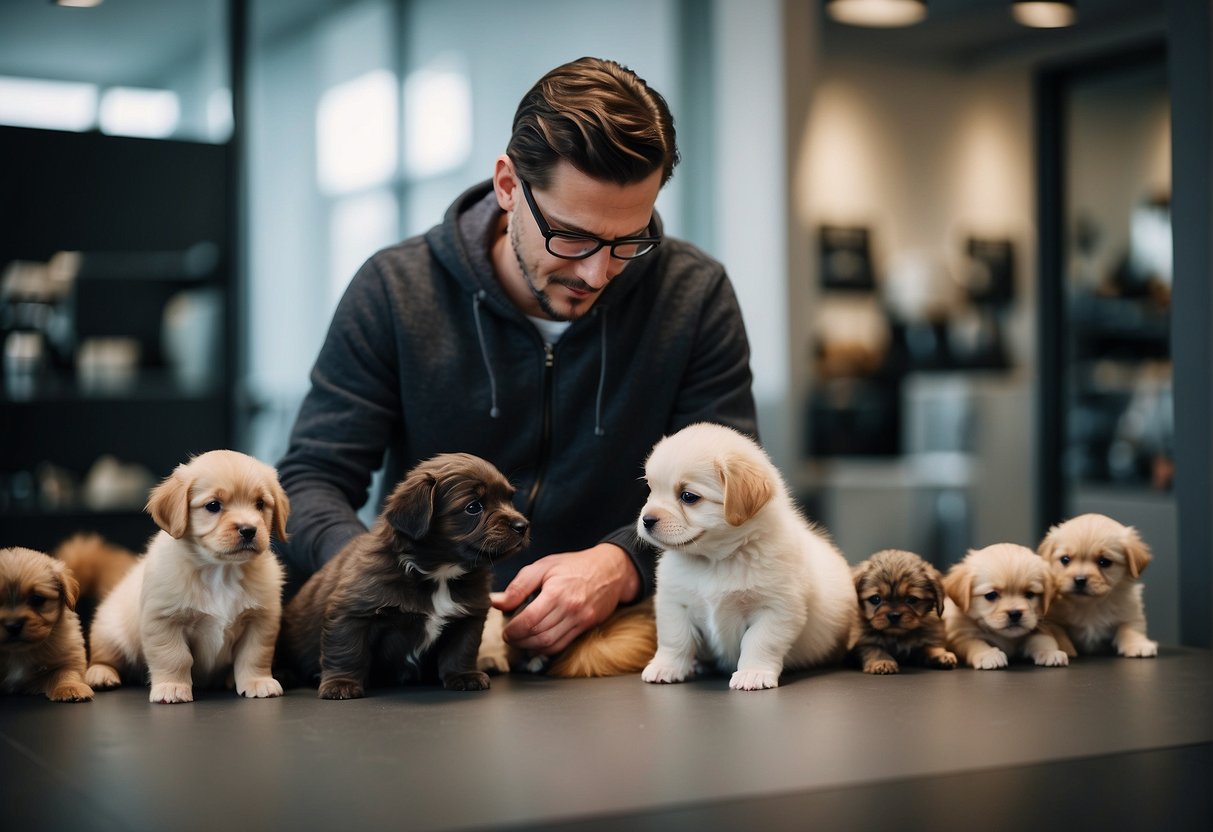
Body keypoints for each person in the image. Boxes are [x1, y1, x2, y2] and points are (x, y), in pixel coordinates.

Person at [277, 56, 756, 658]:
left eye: (627, 241)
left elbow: (734, 494)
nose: (596, 272)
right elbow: (312, 479)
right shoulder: (395, 292)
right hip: (430, 653)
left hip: (626, 650)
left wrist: (621, 562)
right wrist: (384, 578)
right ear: (508, 185)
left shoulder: (694, 294)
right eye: (572, 235)